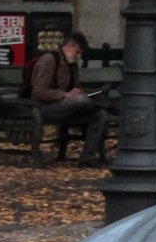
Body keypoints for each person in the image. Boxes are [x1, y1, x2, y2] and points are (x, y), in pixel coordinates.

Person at [31, 31, 105, 167]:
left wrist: (85, 93)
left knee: (99, 114)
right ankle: (102, 104)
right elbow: (38, 92)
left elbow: (75, 88)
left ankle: (88, 156)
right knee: (80, 101)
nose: (79, 56)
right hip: (46, 108)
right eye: (78, 51)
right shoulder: (50, 60)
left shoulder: (72, 65)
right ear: (70, 45)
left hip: (68, 107)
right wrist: (65, 95)